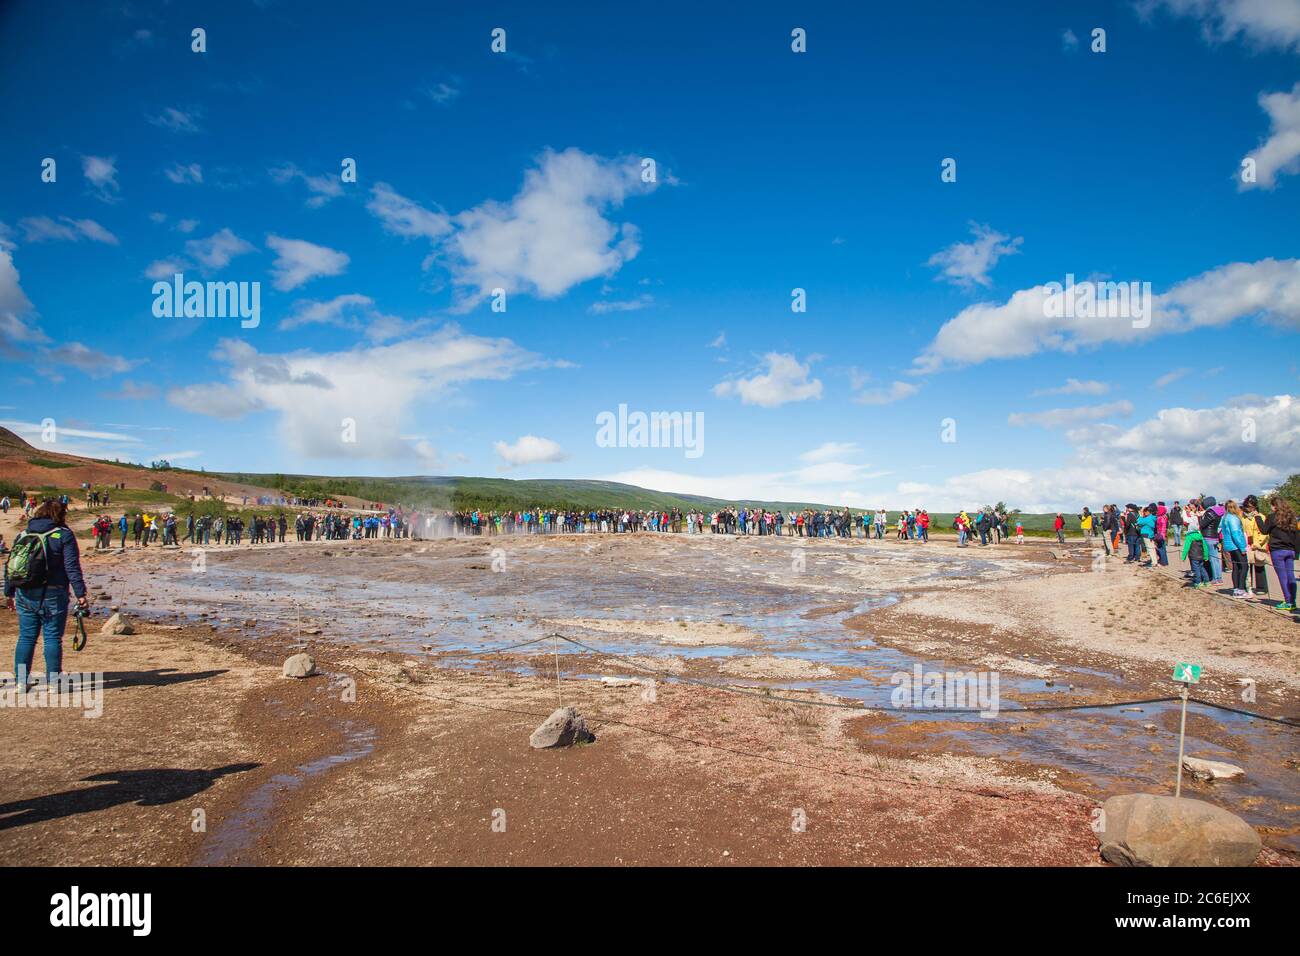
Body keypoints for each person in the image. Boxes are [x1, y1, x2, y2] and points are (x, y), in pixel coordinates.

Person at [3, 499, 90, 688]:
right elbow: (72, 567)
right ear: (60, 514)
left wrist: (8, 593)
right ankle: (54, 682)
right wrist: (80, 593)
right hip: (54, 593)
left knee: (26, 637)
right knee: (52, 637)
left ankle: (20, 682)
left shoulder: (23, 533)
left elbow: (10, 565)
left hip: (24, 593)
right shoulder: (64, 535)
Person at [1262, 496, 1298, 612]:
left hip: (1278, 550)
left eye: (1272, 505)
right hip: (1290, 549)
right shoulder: (1291, 517)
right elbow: (1296, 534)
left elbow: (1264, 530)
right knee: (1291, 576)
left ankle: (1288, 601)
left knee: (1283, 577)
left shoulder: (1272, 517)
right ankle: (1292, 601)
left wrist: (1257, 517)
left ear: (1275, 506)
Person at [1220, 500, 1250, 597]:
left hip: (1229, 545)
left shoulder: (1225, 518)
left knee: (1236, 567)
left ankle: (1236, 588)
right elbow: (1235, 533)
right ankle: (1241, 589)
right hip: (1235, 545)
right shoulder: (1233, 518)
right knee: (1244, 566)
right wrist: (1242, 547)